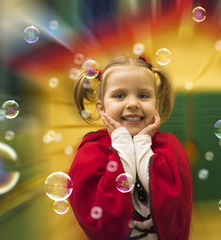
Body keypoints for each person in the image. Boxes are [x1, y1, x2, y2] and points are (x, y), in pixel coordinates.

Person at [68, 56, 193, 240]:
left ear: (156, 106)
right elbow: (104, 216)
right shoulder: (91, 151)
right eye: (119, 95)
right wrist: (121, 141)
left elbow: (169, 204)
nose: (133, 104)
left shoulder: (170, 145)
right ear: (102, 109)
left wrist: (142, 142)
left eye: (143, 95)